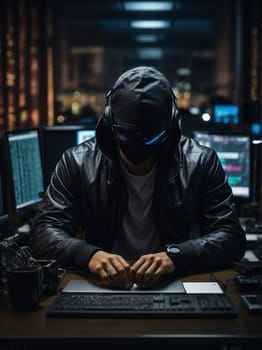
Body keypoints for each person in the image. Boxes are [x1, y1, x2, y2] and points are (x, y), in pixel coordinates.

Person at [29, 66, 246, 289]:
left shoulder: (201, 162)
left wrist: (176, 256)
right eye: (126, 134)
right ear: (109, 120)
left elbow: (231, 237)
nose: (138, 146)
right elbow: (43, 232)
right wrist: (89, 255)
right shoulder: (77, 162)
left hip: (173, 281)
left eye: (150, 137)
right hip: (102, 284)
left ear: (171, 124)